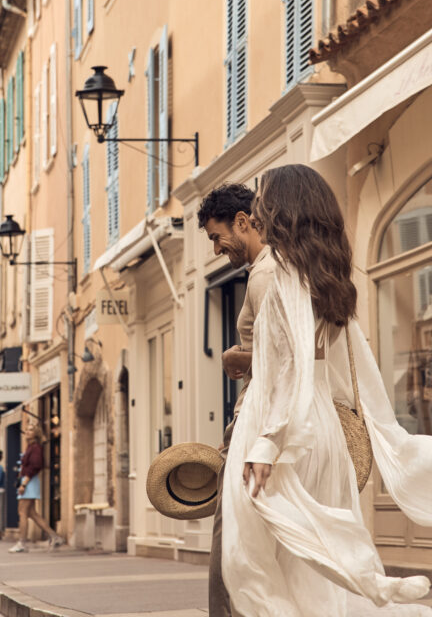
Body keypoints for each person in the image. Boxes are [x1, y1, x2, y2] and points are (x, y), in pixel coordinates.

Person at [222, 164, 432, 616]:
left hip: (283, 432)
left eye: (263, 197)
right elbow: (353, 367)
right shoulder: (326, 277)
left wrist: (266, 444)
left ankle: (373, 589)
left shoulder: (284, 273)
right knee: (302, 570)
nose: (257, 206)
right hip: (320, 430)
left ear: (283, 208)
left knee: (252, 565)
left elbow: (292, 368)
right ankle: (370, 589)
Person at [198, 182, 274, 617]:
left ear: (243, 222)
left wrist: (237, 358)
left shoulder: (264, 275)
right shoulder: (266, 271)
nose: (215, 249)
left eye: (216, 236)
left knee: (229, 550)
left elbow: (288, 359)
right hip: (257, 427)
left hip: (255, 425)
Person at [10, 424, 64, 553]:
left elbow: (35, 466)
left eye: (30, 430)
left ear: (36, 433)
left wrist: (24, 483)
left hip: (29, 481)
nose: (27, 431)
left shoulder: (35, 448)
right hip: (28, 481)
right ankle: (55, 537)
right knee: (32, 513)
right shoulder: (30, 447)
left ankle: (22, 543)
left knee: (22, 512)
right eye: (27, 429)